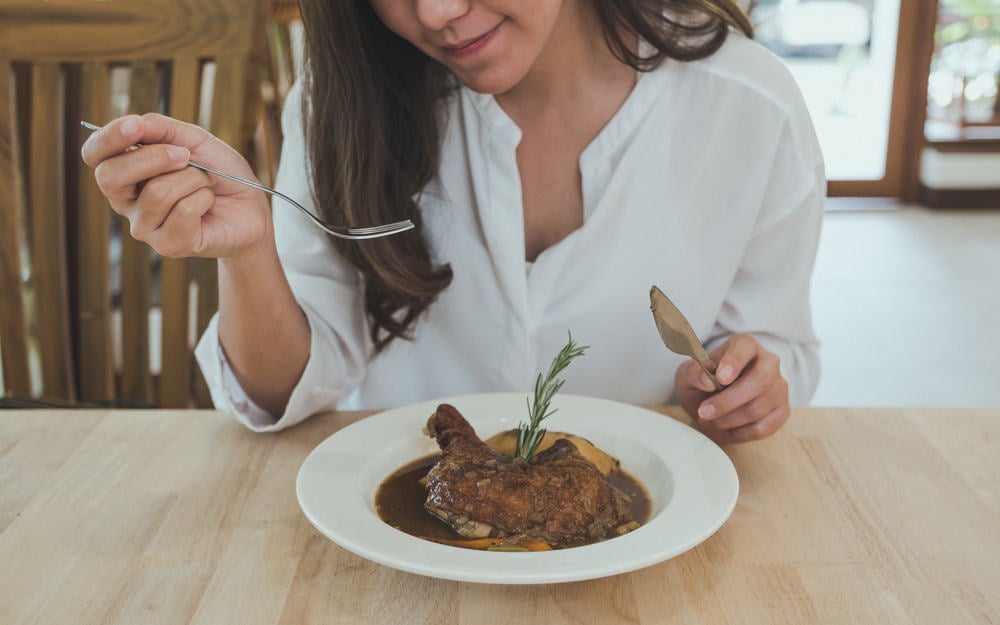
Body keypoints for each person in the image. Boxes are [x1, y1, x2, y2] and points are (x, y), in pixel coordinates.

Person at [81, 0, 824, 445]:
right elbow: (285, 391)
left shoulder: (749, 106)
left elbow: (775, 341)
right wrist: (247, 252)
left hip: (648, 538)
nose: (435, 13)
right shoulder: (346, 102)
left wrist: (745, 385)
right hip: (406, 544)